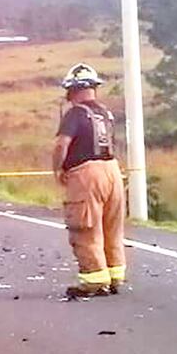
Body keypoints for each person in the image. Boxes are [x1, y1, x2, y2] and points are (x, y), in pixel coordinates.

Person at [52, 63, 126, 298]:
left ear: (72, 90)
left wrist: (58, 169)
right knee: (110, 227)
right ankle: (115, 276)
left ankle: (94, 281)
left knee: (85, 228)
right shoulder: (106, 113)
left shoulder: (75, 113)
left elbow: (62, 143)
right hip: (112, 170)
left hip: (86, 174)